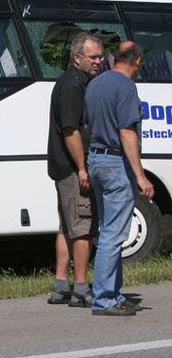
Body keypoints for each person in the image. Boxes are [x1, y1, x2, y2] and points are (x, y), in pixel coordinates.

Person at [85, 41, 154, 316]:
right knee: (114, 234)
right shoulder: (125, 86)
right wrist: (140, 175)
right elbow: (127, 131)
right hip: (114, 162)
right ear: (137, 61)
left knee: (107, 229)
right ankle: (104, 299)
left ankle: (112, 292)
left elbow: (87, 124)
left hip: (96, 158)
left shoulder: (96, 83)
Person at [46, 33, 102, 307]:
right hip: (71, 167)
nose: (99, 62)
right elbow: (70, 130)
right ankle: (80, 288)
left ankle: (60, 285)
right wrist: (82, 168)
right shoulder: (73, 86)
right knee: (83, 227)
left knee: (67, 226)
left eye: (100, 57)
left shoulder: (75, 81)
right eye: (93, 57)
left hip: (62, 166)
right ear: (77, 57)